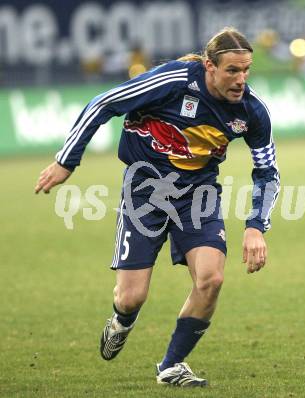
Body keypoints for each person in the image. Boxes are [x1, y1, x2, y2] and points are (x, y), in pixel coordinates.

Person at [35, 27, 280, 387]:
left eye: (246, 70)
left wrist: (256, 226)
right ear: (210, 66)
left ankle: (171, 366)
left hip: (197, 196)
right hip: (144, 192)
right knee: (131, 297)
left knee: (211, 279)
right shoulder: (173, 81)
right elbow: (103, 104)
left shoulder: (252, 111)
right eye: (232, 70)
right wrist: (65, 161)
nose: (241, 80)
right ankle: (122, 320)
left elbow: (267, 172)